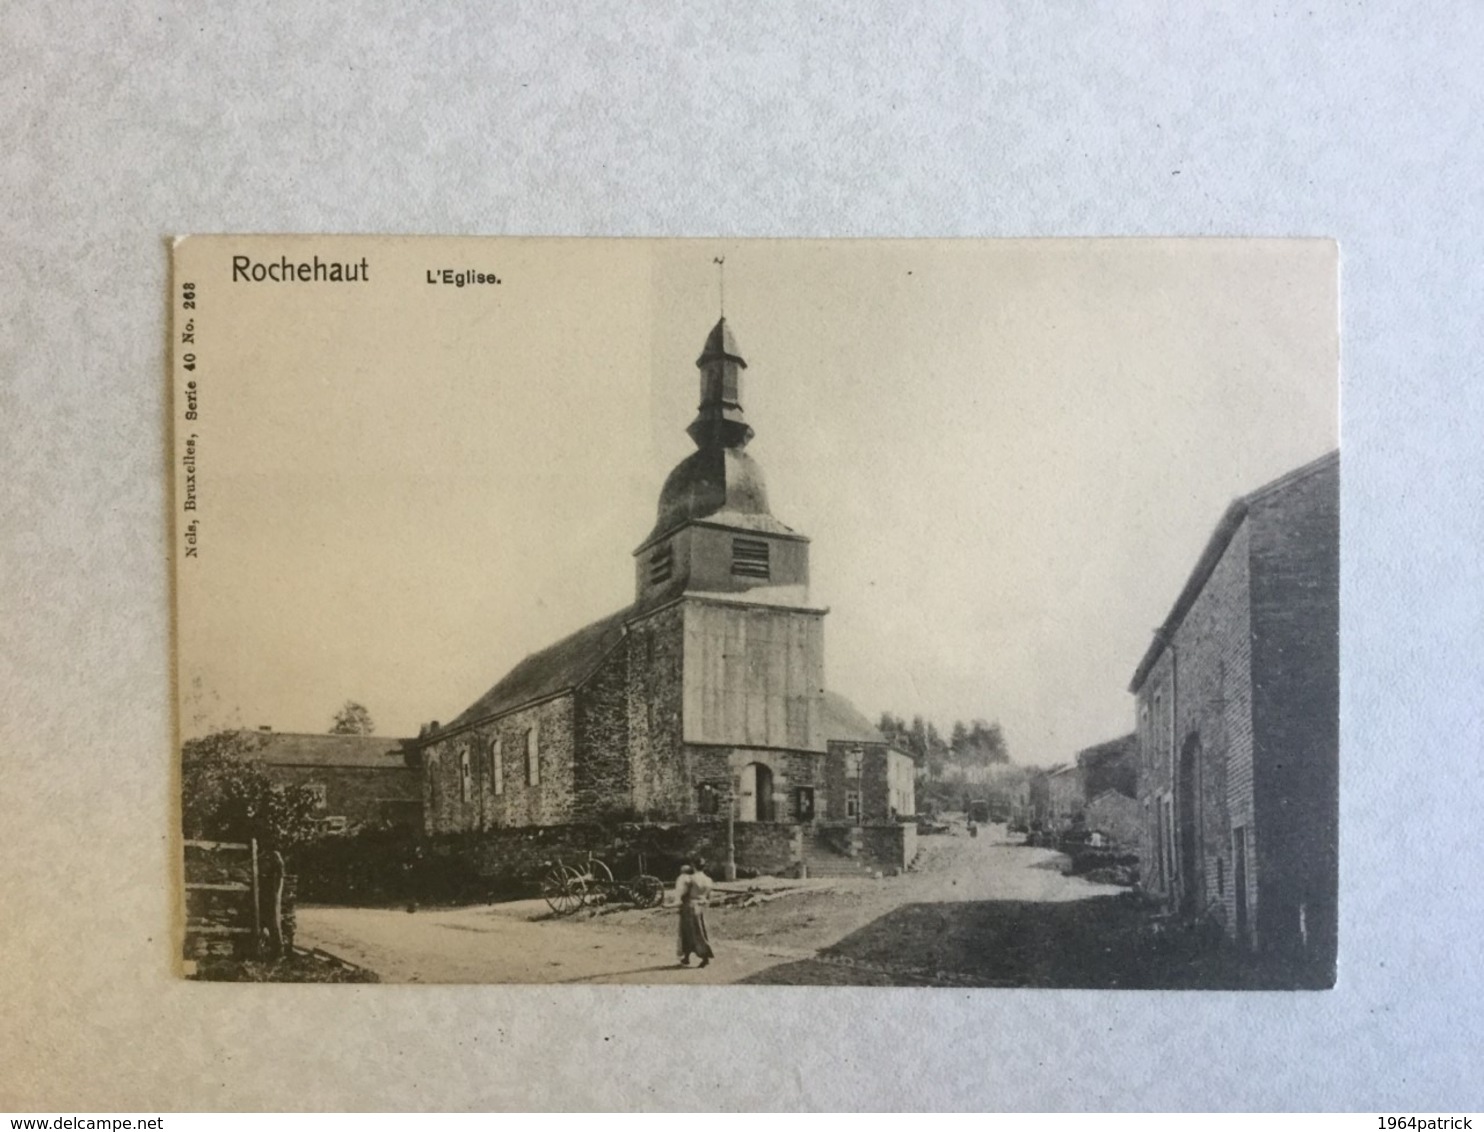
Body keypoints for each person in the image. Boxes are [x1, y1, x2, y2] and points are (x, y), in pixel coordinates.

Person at [674, 860, 715, 968]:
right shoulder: (708, 880)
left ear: (693, 866)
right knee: (699, 930)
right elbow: (709, 897)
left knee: (688, 932)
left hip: (689, 906)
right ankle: (687, 957)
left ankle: (704, 957)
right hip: (700, 906)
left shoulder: (689, 879)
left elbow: (683, 893)